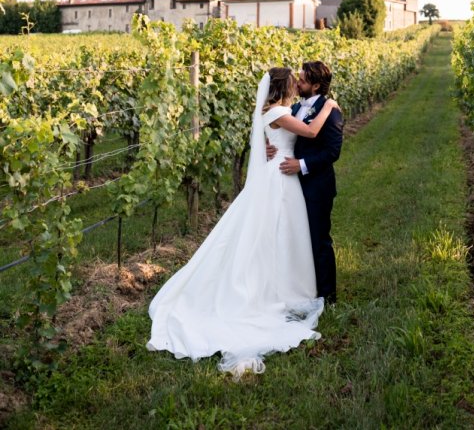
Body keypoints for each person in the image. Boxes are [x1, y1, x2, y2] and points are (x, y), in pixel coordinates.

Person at [146, 67, 340, 377]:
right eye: (294, 81)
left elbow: (281, 136)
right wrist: (329, 105)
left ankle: (291, 283)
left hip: (281, 170)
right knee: (277, 233)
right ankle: (281, 288)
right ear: (284, 87)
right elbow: (311, 132)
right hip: (280, 177)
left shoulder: (276, 109)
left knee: (283, 233)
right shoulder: (278, 110)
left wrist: (267, 147)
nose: (297, 84)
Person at [269, 61, 343, 304]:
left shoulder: (330, 110)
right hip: (290, 185)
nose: (297, 83)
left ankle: (327, 296)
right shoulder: (293, 108)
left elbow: (332, 152)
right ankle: (302, 289)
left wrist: (301, 165)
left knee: (319, 238)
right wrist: (270, 147)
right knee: (296, 238)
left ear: (316, 85)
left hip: (317, 185)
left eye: (302, 80)